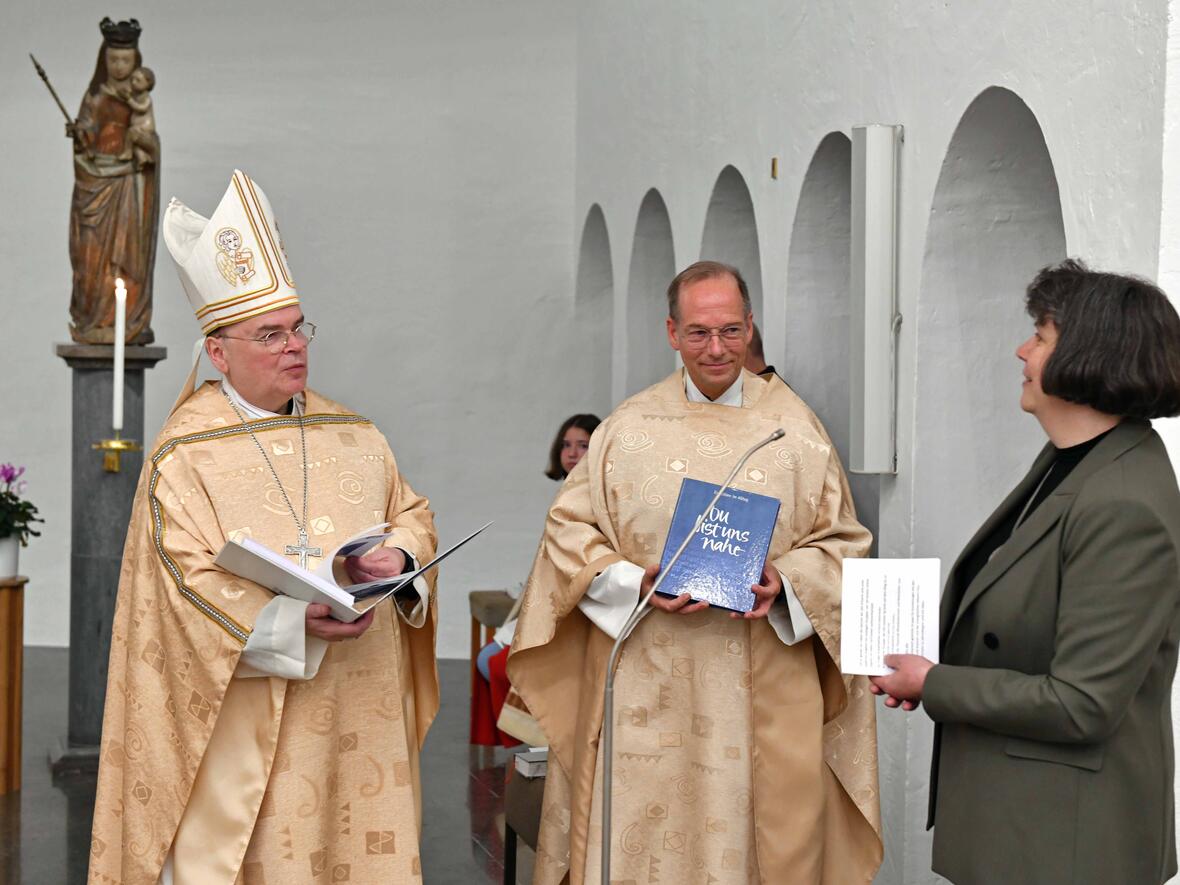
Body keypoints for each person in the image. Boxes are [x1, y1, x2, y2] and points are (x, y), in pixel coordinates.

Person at [88, 170, 440, 885]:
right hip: (246, 729)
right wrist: (288, 618)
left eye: (298, 328)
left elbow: (412, 511)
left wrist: (399, 554)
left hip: (355, 713)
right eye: (270, 334)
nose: (294, 347)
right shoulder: (182, 456)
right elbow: (180, 581)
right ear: (218, 354)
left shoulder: (356, 433)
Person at [507, 260, 882, 884]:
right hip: (645, 679)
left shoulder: (795, 430)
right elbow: (567, 533)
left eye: (732, 331)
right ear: (672, 332)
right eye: (700, 333)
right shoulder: (626, 429)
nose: (717, 349)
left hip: (762, 678)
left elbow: (843, 542)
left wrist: (784, 584)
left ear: (751, 325)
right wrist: (633, 582)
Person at [870, 259, 1180, 885]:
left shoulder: (1122, 499)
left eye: (1040, 336)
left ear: (1090, 356)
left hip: (1065, 841)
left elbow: (1082, 703)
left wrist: (937, 684)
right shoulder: (1074, 461)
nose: (1021, 349)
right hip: (1024, 821)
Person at [471, 413, 602, 747]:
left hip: (575, 606)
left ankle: (540, 743)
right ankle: (529, 747)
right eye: (566, 445)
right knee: (487, 659)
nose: (572, 453)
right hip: (549, 596)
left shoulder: (599, 496)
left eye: (583, 445)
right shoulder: (566, 491)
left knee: (502, 665)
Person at [68, 17, 159, 344]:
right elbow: (87, 138)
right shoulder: (95, 97)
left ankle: (125, 320)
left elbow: (148, 143)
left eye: (125, 60)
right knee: (91, 257)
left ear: (135, 62)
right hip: (95, 184)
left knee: (127, 256)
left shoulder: (139, 99)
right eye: (113, 60)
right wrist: (80, 135)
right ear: (103, 61)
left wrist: (142, 145)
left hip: (127, 189)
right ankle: (94, 319)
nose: (119, 66)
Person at [121, 66, 156, 170]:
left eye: (138, 80)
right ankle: (142, 158)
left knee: (131, 133)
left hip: (145, 128)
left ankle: (127, 153)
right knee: (134, 144)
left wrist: (129, 100)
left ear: (148, 83)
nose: (133, 82)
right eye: (132, 79)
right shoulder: (135, 95)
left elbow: (141, 109)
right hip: (137, 128)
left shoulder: (146, 98)